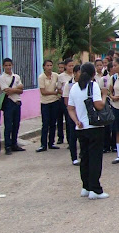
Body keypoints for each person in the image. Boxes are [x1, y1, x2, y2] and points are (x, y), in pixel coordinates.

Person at [66, 62, 108, 200]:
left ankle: (86, 186)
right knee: (95, 158)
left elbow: (70, 108)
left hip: (81, 127)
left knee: (84, 157)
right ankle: (95, 189)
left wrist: (76, 121)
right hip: (94, 127)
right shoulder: (93, 85)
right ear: (92, 74)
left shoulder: (74, 88)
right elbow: (99, 105)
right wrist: (104, 95)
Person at [0, 58, 24, 155]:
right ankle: (7, 146)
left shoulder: (16, 76)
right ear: (3, 66)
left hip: (17, 102)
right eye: (6, 65)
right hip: (9, 102)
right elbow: (6, 91)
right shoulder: (2, 78)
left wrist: (13, 89)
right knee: (8, 125)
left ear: (12, 65)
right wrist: (16, 89)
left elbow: (21, 89)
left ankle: (14, 144)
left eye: (10, 65)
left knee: (16, 124)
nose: (8, 67)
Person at [36, 59, 62, 152]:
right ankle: (43, 144)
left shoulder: (55, 75)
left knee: (53, 123)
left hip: (54, 102)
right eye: (47, 65)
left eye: (51, 65)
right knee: (45, 124)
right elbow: (43, 92)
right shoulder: (41, 77)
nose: (49, 67)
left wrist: (57, 93)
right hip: (45, 103)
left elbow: (60, 86)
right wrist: (54, 93)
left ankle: (51, 143)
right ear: (44, 67)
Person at [63, 65, 81, 165]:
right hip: (73, 113)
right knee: (73, 135)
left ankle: (82, 154)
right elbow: (66, 99)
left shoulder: (86, 84)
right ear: (74, 73)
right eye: (79, 72)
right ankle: (74, 157)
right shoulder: (68, 84)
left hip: (83, 113)